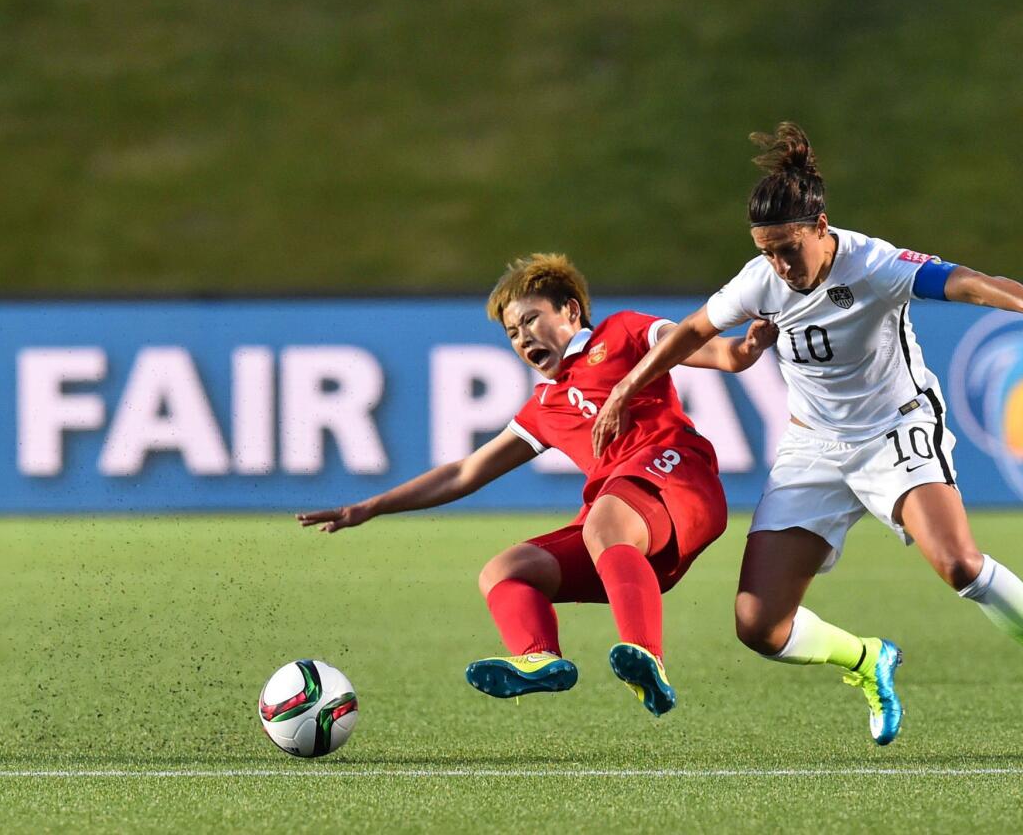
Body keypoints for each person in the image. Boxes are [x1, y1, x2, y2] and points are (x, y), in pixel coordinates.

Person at [591, 122, 1023, 743]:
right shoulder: (761, 280)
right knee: (758, 626)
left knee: (960, 564)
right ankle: (867, 659)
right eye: (765, 250)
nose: (779, 264)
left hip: (895, 431)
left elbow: (964, 280)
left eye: (787, 248)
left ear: (821, 227)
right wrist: (625, 387)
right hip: (812, 447)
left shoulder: (873, 263)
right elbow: (692, 331)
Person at [298, 253, 777, 716]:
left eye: (530, 320)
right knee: (505, 571)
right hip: (632, 533)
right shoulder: (545, 406)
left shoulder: (623, 331)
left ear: (570, 309)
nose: (522, 338)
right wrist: (372, 506)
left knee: (603, 522)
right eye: (512, 332)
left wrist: (742, 351)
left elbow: (697, 344)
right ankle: (540, 657)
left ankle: (645, 656)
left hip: (681, 478)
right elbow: (466, 472)